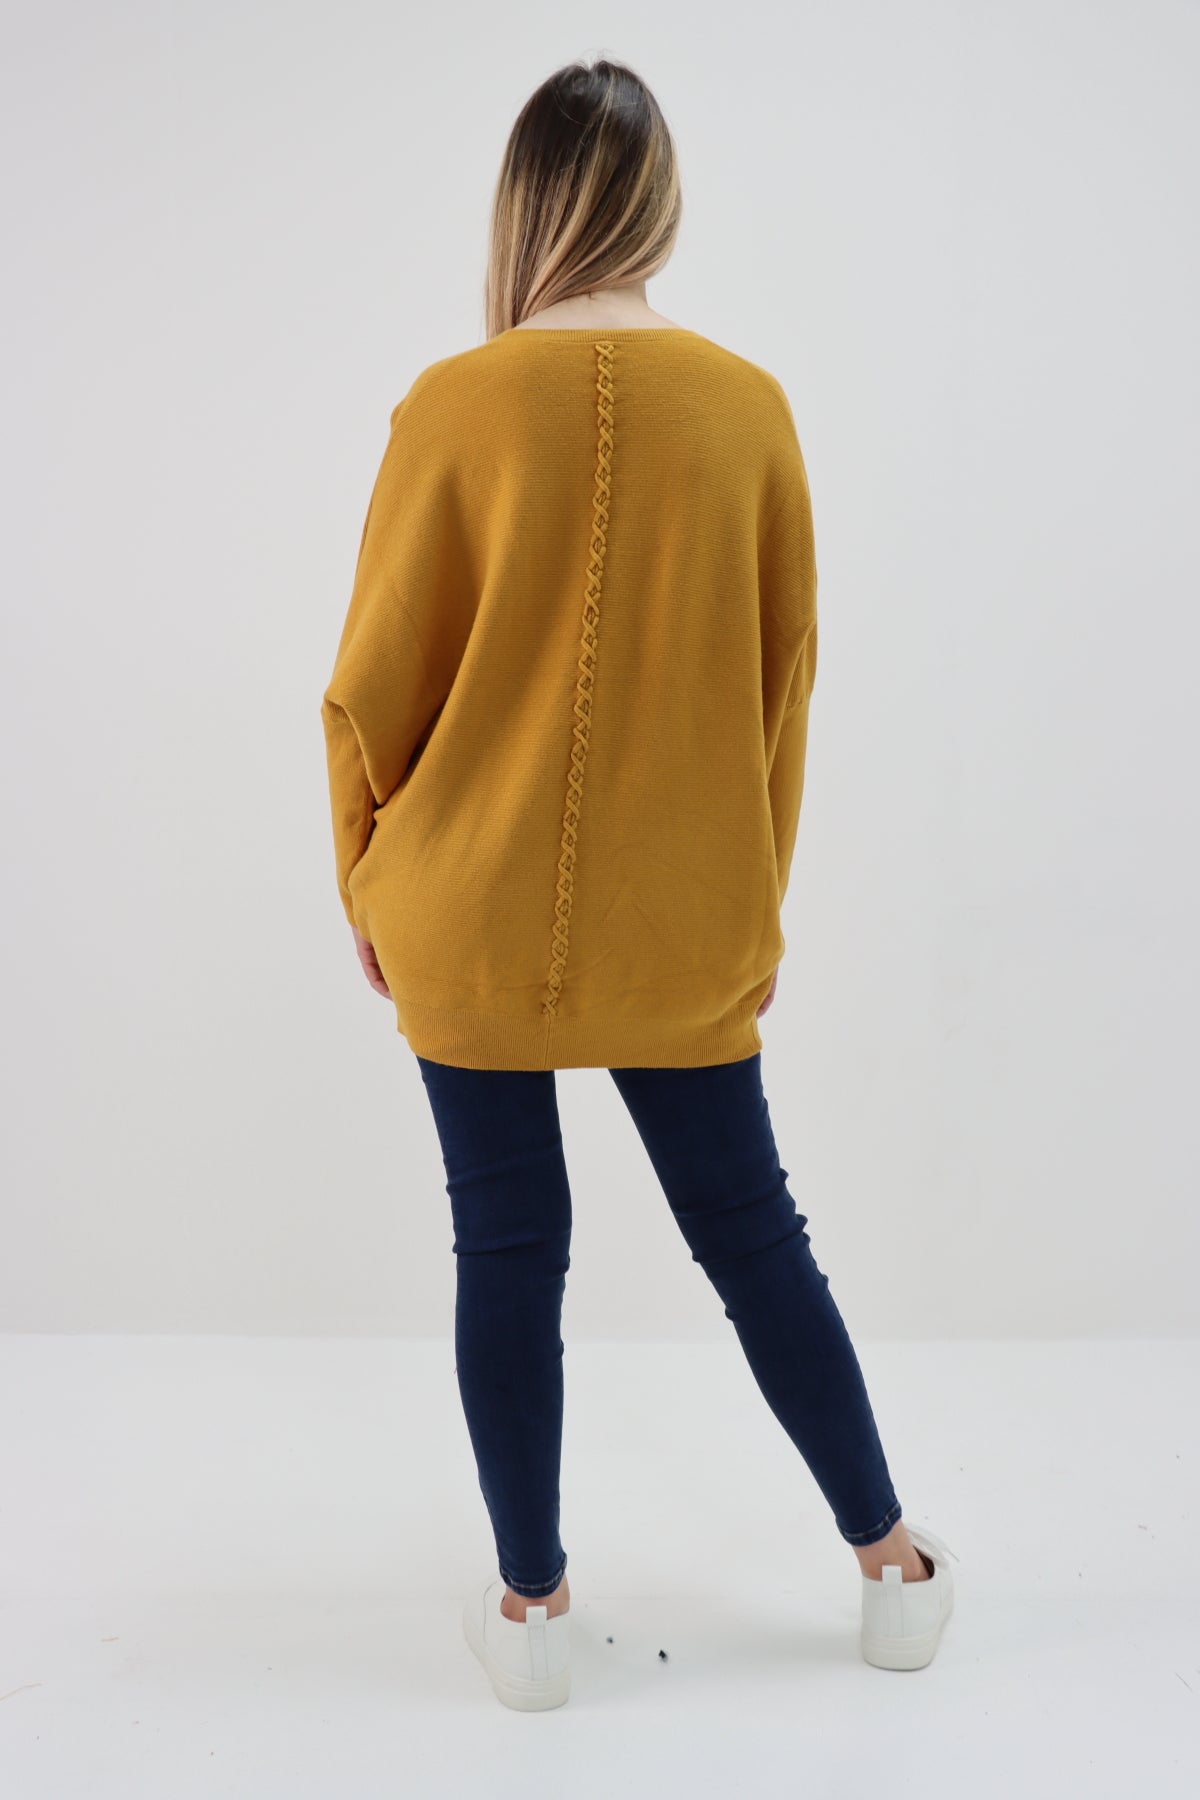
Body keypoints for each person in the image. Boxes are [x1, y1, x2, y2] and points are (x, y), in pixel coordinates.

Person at [320, 55, 957, 1711]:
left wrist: (368, 884)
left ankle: (532, 1611)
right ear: (659, 206)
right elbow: (780, 690)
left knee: (505, 1246)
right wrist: (754, 908)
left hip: (463, 910)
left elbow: (373, 693)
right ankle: (892, 1566)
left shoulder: (450, 407)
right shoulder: (750, 410)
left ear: (525, 205)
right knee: (753, 1236)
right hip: (684, 924)